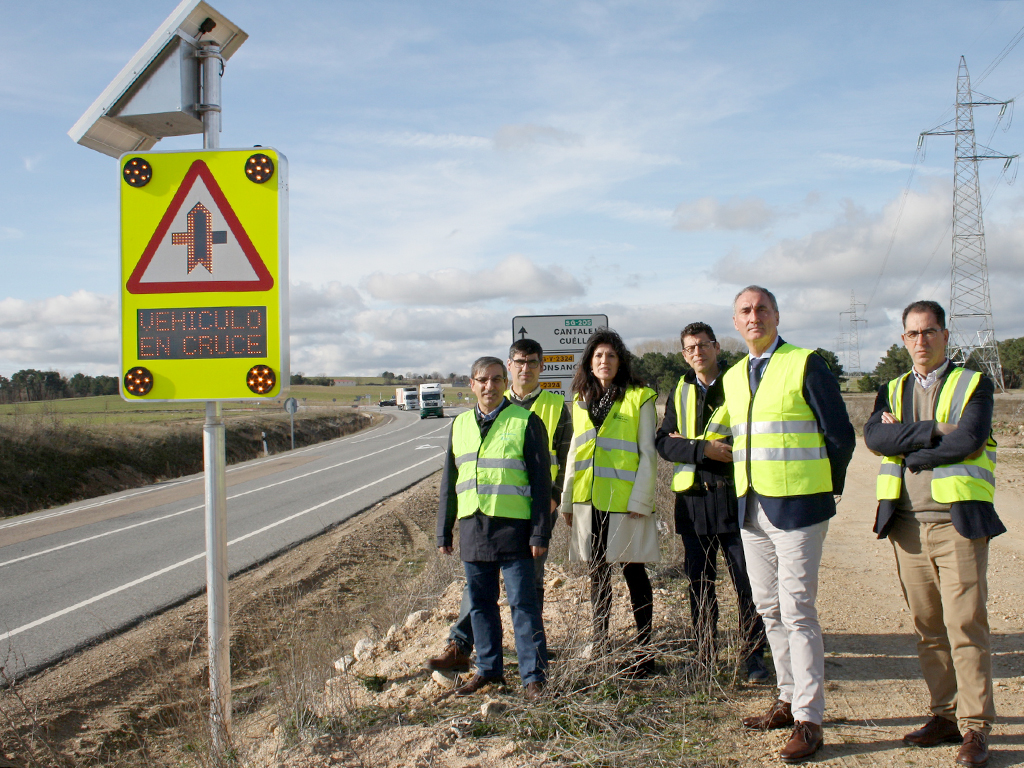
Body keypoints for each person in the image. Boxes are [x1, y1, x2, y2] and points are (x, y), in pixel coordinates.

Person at [863, 300, 1004, 768]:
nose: (920, 341)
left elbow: (970, 439)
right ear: (903, 340)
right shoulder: (893, 388)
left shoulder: (973, 383)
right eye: (912, 334)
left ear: (945, 336)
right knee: (928, 629)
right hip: (906, 527)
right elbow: (875, 440)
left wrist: (912, 449)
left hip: (957, 524)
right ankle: (944, 715)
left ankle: (974, 727)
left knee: (964, 624)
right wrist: (933, 432)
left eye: (929, 332)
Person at [719, 285, 855, 764]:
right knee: (768, 607)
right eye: (745, 311)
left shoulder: (805, 362)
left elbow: (840, 435)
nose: (753, 316)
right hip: (751, 508)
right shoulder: (735, 375)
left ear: (776, 314)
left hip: (799, 507)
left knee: (798, 609)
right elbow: (727, 436)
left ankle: (810, 719)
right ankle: (787, 695)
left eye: (761, 308)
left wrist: (825, 486)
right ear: (735, 322)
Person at [426, 339, 571, 674]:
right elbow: (456, 474)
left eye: (532, 362)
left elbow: (567, 458)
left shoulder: (552, 406)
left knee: (527, 592)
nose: (525, 368)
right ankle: (464, 647)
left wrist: (554, 498)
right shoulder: (487, 413)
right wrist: (444, 528)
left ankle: (534, 665)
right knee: (480, 591)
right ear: (509, 367)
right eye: (519, 361)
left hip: (532, 512)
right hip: (481, 517)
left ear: (541, 367)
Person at [654, 321, 768, 683]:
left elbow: (750, 438)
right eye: (689, 348)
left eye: (703, 345)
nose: (697, 353)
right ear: (684, 354)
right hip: (692, 503)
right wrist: (704, 449)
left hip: (735, 497)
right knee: (699, 584)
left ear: (717, 347)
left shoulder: (740, 383)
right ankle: (705, 655)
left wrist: (693, 446)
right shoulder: (680, 390)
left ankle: (754, 659)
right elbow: (664, 443)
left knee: (747, 585)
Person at [560, 329, 659, 675]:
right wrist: (568, 501)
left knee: (634, 573)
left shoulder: (639, 397)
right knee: (597, 575)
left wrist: (642, 500)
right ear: (589, 361)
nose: (604, 361)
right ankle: (600, 644)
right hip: (589, 501)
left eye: (611, 356)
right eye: (598, 356)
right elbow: (576, 452)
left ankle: (645, 651)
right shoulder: (580, 399)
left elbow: (648, 453)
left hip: (625, 503)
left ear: (621, 361)